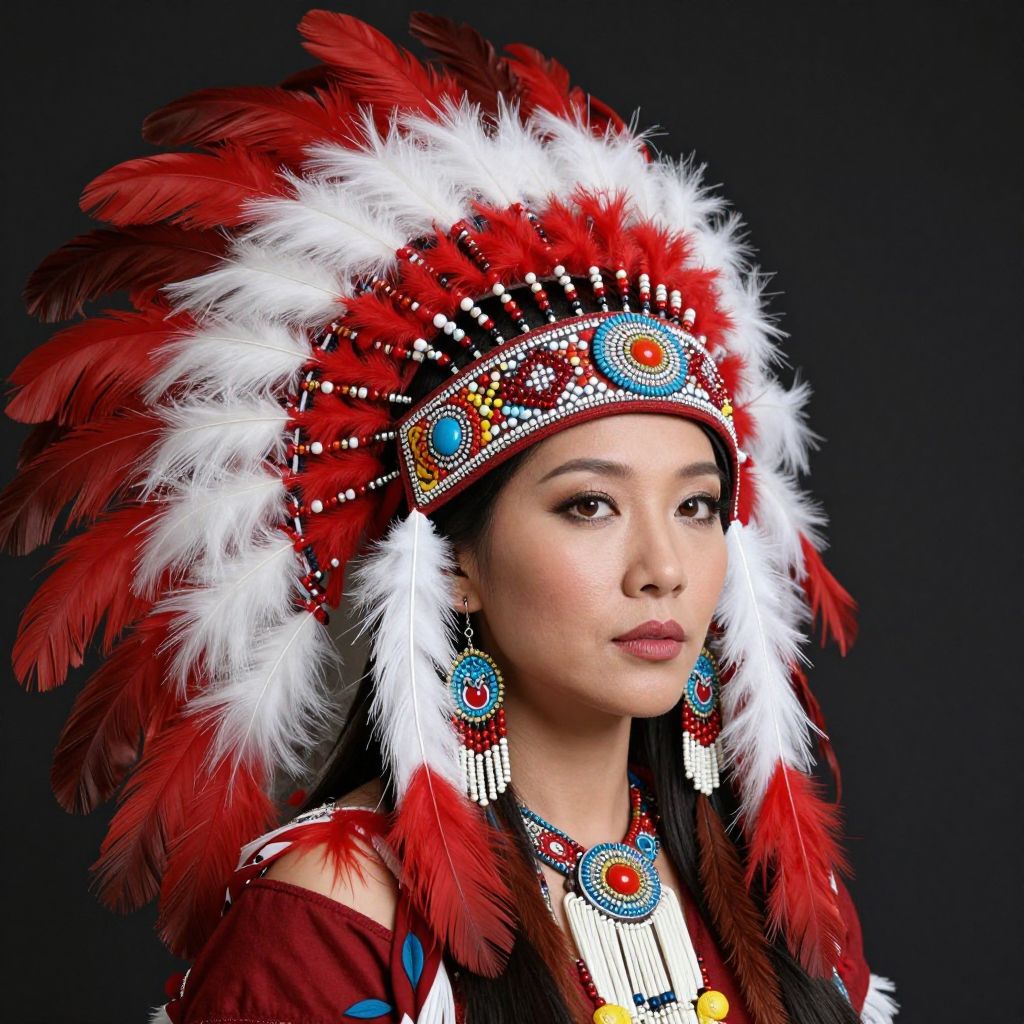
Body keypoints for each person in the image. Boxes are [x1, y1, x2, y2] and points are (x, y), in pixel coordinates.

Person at [1, 10, 899, 1024]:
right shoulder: (331, 928)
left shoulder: (784, 900)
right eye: (589, 504)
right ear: (454, 563)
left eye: (696, 505)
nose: (663, 567)